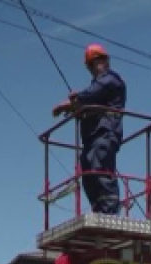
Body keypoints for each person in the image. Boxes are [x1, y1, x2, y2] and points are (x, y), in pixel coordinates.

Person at [53, 43, 126, 215]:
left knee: (100, 168)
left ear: (106, 61)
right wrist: (77, 108)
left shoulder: (111, 79)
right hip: (92, 137)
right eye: (93, 62)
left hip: (105, 133)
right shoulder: (97, 85)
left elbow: (91, 94)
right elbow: (89, 99)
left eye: (99, 60)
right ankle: (98, 208)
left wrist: (70, 103)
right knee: (88, 171)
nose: (97, 64)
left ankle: (109, 211)